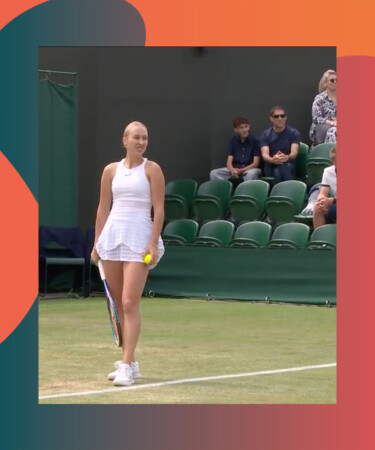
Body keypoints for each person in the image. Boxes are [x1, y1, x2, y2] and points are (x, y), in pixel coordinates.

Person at [91, 121, 165, 386]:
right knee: (118, 304)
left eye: (144, 138)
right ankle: (130, 362)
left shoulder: (152, 169)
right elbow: (102, 209)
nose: (141, 142)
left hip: (139, 238)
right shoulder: (110, 170)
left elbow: (159, 210)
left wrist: (153, 244)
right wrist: (96, 243)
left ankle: (125, 365)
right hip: (112, 236)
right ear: (125, 140)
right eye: (136, 137)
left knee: (130, 302)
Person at [210, 116, 261, 182]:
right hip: (235, 168)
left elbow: (255, 164)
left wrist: (240, 170)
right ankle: (223, 190)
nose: (244, 130)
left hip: (250, 169)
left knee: (251, 174)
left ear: (249, 127)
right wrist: (232, 170)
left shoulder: (256, 140)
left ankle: (245, 191)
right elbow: (229, 162)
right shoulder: (233, 141)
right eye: (241, 128)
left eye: (246, 127)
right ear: (236, 130)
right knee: (214, 173)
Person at [259, 106, 301, 184]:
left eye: (282, 116)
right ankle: (290, 188)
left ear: (286, 117)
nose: (280, 118)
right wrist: (273, 160)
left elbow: (294, 153)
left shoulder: (294, 133)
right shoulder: (265, 135)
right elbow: (265, 154)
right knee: (278, 170)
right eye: (276, 116)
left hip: (288, 163)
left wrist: (285, 157)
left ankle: (279, 193)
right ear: (271, 118)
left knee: (279, 171)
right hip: (270, 164)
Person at [309, 69, 337, 145]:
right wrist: (332, 122)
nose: (335, 82)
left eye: (337, 80)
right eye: (332, 80)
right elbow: (316, 118)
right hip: (323, 128)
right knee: (334, 131)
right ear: (325, 83)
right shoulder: (319, 99)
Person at [313, 146, 337, 229]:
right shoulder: (328, 171)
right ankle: (320, 239)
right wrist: (322, 200)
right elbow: (323, 192)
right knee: (318, 208)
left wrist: (332, 200)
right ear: (333, 161)